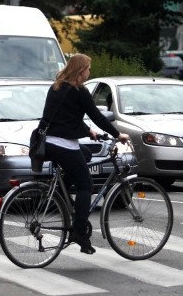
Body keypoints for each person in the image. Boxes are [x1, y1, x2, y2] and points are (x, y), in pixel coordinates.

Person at [38, 53, 130, 254]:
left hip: (49, 143)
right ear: (81, 72)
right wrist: (117, 134)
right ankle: (79, 232)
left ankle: (62, 193)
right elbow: (96, 115)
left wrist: (88, 132)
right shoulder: (79, 91)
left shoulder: (57, 86)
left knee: (86, 153)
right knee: (86, 185)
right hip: (63, 144)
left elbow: (65, 116)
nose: (90, 72)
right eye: (88, 68)